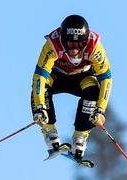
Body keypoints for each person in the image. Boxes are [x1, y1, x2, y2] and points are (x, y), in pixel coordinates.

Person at [31, 14, 112, 160]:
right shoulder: (53, 43)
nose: (74, 49)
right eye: (70, 44)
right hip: (56, 76)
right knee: (41, 88)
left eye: (79, 45)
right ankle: (50, 133)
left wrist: (100, 110)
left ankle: (80, 137)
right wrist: (39, 107)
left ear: (86, 41)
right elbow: (39, 76)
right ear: (62, 40)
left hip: (82, 78)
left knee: (93, 89)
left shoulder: (94, 47)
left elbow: (106, 78)